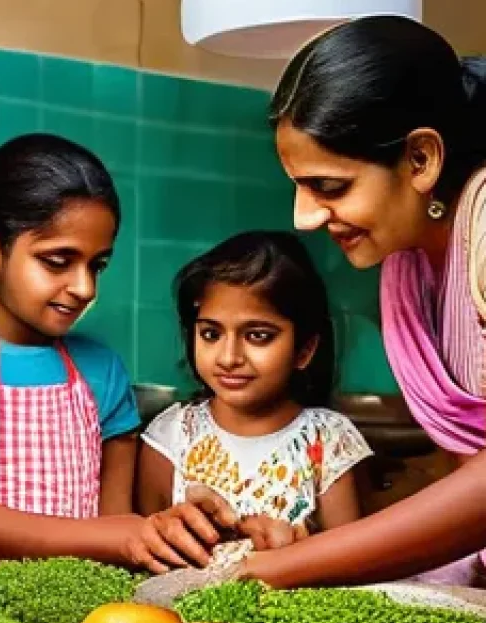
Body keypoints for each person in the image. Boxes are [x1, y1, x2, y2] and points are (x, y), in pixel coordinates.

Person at [156, 14, 486, 594]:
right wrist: (309, 546)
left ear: (420, 160)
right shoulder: (410, 263)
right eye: (299, 186)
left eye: (329, 187)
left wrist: (274, 570)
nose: (302, 217)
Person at [0, 133, 237, 584]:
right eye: (58, 261)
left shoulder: (104, 371)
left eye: (97, 265)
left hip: (69, 617)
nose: (85, 288)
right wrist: (126, 535)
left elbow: (112, 523)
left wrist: (177, 531)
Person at [137, 231, 372, 566]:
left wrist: (294, 551)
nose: (229, 357)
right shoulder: (172, 435)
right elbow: (148, 554)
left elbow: (353, 565)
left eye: (258, 336)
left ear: (304, 350)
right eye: (211, 334)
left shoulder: (330, 440)